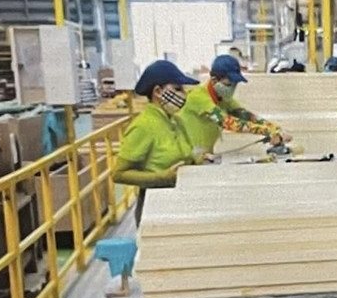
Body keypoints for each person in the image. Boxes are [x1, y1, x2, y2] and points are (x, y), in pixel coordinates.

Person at [112, 60, 200, 226]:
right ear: (158, 91)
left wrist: (198, 159)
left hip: (180, 201)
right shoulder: (143, 126)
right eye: (177, 89)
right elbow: (118, 174)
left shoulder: (176, 121)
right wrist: (161, 177)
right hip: (155, 207)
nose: (184, 94)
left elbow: (184, 154)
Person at [178, 54, 290, 155]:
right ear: (214, 80)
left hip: (203, 154)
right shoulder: (198, 97)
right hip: (186, 153)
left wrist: (275, 128)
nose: (232, 88)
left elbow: (245, 116)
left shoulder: (222, 98)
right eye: (229, 84)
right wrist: (267, 131)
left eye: (235, 84)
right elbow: (227, 122)